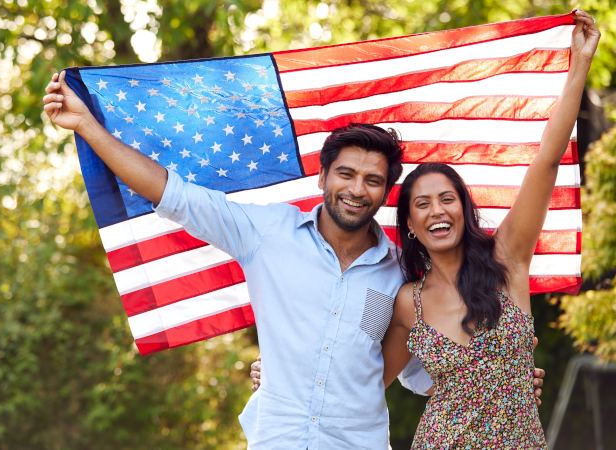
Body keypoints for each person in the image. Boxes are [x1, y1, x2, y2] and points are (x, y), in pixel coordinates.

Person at [42, 21, 549, 448]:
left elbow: (419, 362)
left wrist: (501, 374)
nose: (357, 189)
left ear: (385, 193)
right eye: (346, 175)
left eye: (372, 180)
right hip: (277, 437)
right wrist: (88, 127)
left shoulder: (402, 273)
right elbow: (173, 192)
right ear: (324, 178)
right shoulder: (266, 232)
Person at [250, 8, 598, 450]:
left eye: (447, 199)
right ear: (410, 224)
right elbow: (359, 381)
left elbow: (547, 160)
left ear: (464, 209)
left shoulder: (508, 260)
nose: (438, 211)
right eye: (423, 204)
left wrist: (580, 64)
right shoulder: (406, 301)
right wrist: (280, 372)